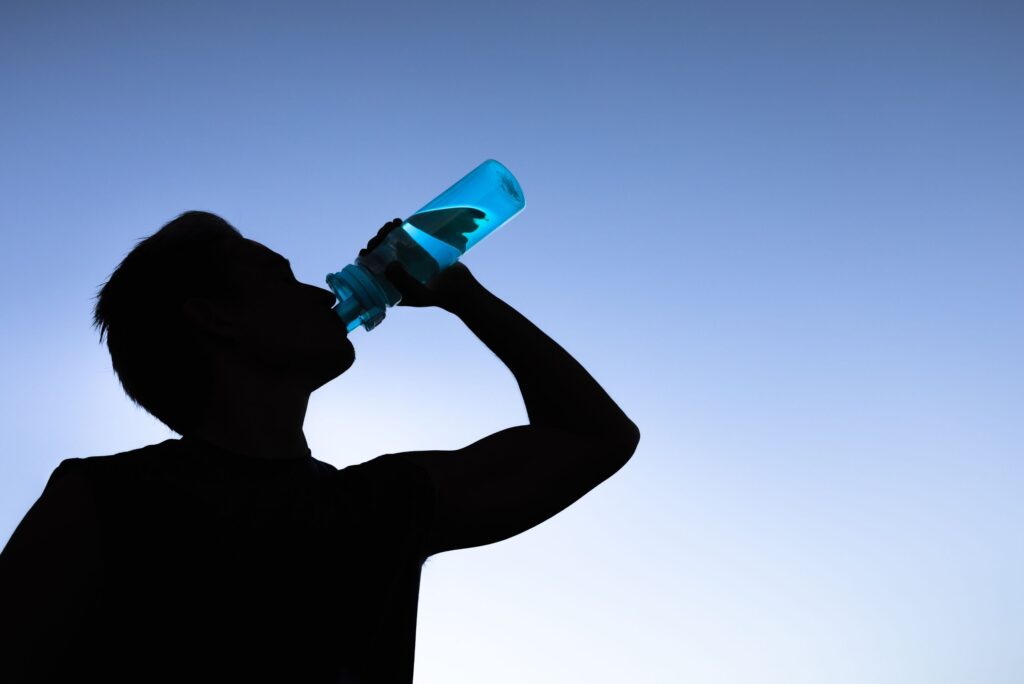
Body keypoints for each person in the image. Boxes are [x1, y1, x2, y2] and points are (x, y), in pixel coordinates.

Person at [0, 211, 640, 683]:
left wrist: (463, 295)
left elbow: (598, 439)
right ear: (215, 317)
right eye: (279, 278)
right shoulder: (107, 499)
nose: (317, 292)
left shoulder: (382, 506)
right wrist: (464, 301)